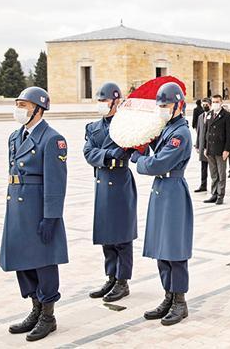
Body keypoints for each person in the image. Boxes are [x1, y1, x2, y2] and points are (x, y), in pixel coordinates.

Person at [1, 87, 68, 341]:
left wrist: (51, 216)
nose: (19, 110)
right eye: (18, 104)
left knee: (43, 262)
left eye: (24, 105)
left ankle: (48, 316)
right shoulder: (15, 137)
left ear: (38, 109)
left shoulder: (52, 139)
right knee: (22, 260)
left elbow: (56, 181)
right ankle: (35, 308)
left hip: (39, 209)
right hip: (19, 208)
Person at [132, 81, 193, 326]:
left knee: (174, 250)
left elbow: (159, 163)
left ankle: (180, 302)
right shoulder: (166, 128)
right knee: (162, 249)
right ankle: (168, 296)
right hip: (161, 190)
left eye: (166, 104)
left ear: (179, 106)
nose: (162, 108)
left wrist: (139, 159)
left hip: (173, 191)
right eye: (161, 105)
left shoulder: (181, 133)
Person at [83, 82, 137, 303]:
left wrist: (103, 154)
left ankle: (122, 281)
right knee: (106, 233)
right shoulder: (93, 127)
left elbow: (125, 151)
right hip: (102, 181)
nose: (101, 105)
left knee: (122, 235)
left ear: (116, 102)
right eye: (99, 101)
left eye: (104, 101)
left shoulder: (126, 125)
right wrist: (106, 156)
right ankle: (111, 276)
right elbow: (87, 152)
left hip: (120, 181)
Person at [203, 95, 230, 205]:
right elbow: (206, 132)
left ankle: (220, 195)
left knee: (221, 174)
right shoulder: (210, 114)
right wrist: (205, 147)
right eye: (213, 101)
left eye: (217, 101)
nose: (215, 103)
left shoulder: (227, 115)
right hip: (211, 149)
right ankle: (214, 194)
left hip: (221, 149)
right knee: (213, 174)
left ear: (221, 102)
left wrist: (227, 149)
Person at [193, 98, 211, 192]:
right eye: (203, 105)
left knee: (214, 168)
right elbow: (199, 131)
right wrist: (197, 145)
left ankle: (215, 187)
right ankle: (203, 185)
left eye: (206, 104)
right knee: (203, 167)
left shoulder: (214, 115)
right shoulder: (200, 117)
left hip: (211, 146)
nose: (205, 106)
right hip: (202, 145)